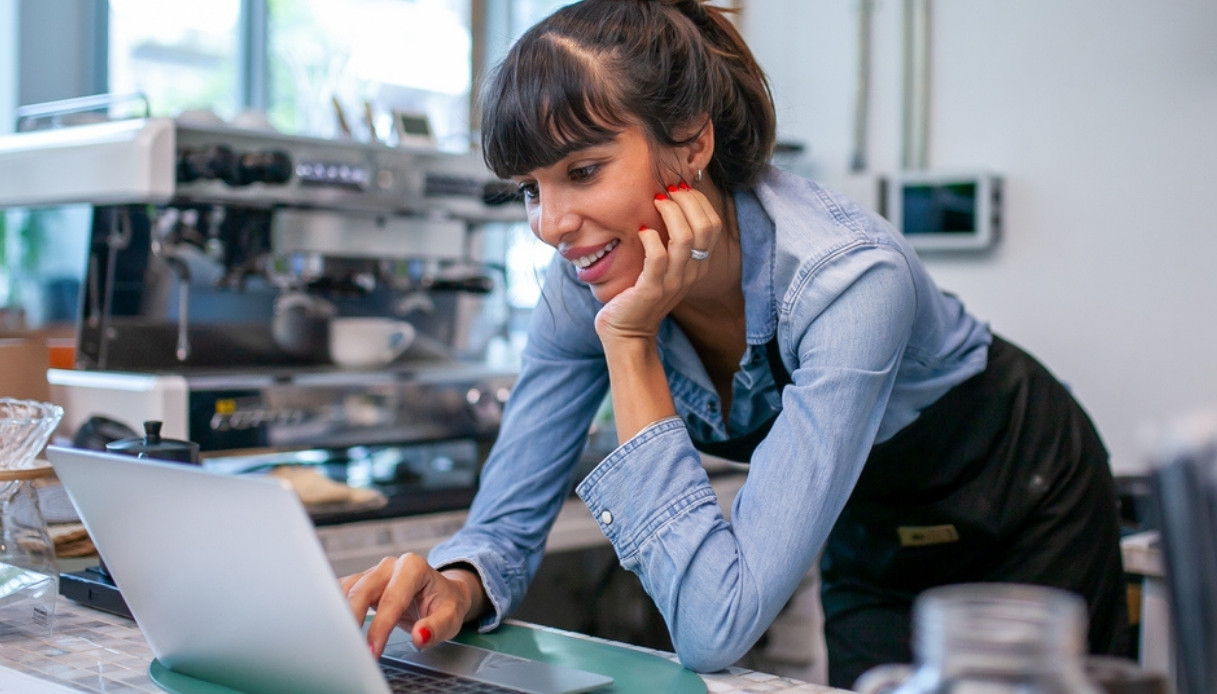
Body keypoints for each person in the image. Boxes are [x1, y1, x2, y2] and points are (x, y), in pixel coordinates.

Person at [341, 0, 1128, 686]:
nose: (549, 226)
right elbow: (502, 529)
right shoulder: (577, 282)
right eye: (528, 190)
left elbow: (713, 625)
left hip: (1022, 492)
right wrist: (455, 579)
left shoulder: (846, 280)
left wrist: (630, 340)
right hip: (867, 519)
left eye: (582, 171)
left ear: (690, 143)